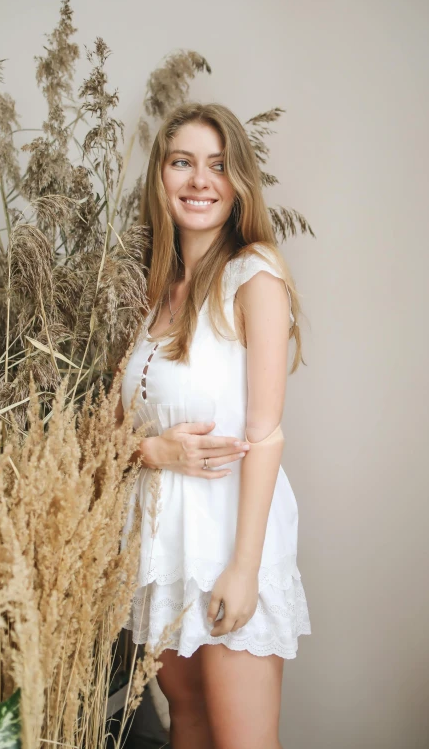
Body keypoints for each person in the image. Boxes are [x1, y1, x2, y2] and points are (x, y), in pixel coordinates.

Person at [115, 102, 311, 749]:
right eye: (183, 162)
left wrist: (243, 569)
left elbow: (268, 432)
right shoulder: (153, 293)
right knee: (189, 723)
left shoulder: (254, 276)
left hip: (229, 543)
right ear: (161, 176)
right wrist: (153, 448)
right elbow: (117, 430)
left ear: (237, 185)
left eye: (217, 166)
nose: (200, 180)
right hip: (166, 548)